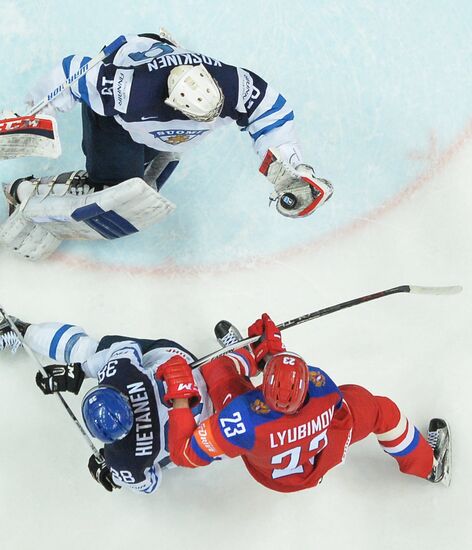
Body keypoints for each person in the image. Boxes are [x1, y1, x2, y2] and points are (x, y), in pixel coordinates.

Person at [0, 30, 333, 260]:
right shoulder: (130, 91)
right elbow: (71, 72)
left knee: (144, 166)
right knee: (116, 183)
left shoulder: (232, 85)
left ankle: (137, 159)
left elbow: (271, 114)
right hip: (120, 112)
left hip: (161, 67)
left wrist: (289, 169)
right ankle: (32, 191)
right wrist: (31, 114)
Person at [156, 315, 451, 492]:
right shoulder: (320, 387)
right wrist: (274, 352)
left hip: (272, 475)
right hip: (321, 456)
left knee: (219, 370)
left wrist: (180, 396)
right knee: (382, 411)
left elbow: (183, 455)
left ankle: (243, 357)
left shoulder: (240, 421)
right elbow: (329, 404)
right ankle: (428, 466)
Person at [0, 314, 209, 494]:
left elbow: (152, 483)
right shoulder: (124, 376)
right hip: (188, 373)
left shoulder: (127, 460)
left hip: (201, 414)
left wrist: (81, 370)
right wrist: (114, 472)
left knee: (88, 350)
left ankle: (23, 331)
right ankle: (238, 366)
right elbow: (149, 484)